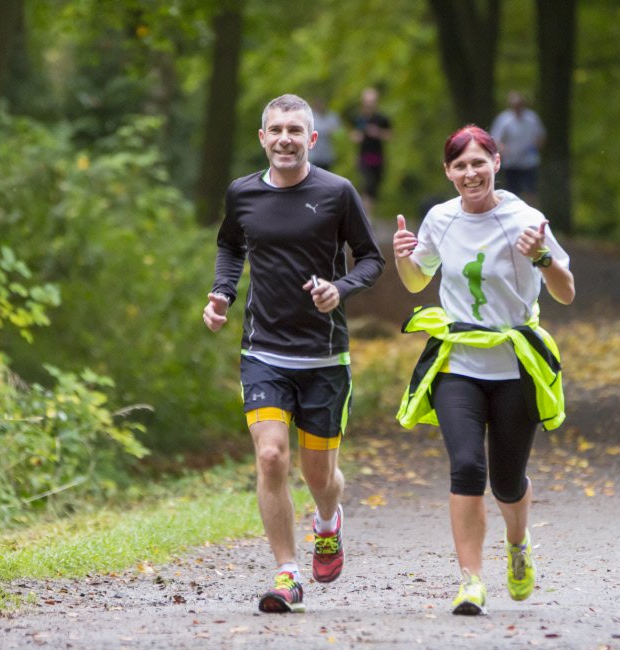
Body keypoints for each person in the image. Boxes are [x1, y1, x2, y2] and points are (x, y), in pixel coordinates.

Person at [203, 93, 385, 613]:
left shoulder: (336, 192)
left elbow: (371, 259)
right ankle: (286, 573)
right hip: (264, 349)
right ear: (263, 138)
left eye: (294, 130)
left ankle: (328, 521)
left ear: (312, 138)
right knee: (270, 456)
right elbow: (230, 246)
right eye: (275, 130)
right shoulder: (242, 194)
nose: (285, 138)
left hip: (325, 356)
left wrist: (341, 289)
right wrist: (222, 293)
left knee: (319, 476)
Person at [393, 125, 575, 615]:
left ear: (496, 162)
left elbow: (566, 291)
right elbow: (416, 281)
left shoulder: (525, 218)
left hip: (515, 365)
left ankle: (518, 543)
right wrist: (404, 258)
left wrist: (540, 257)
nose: (469, 173)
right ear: (448, 172)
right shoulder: (440, 218)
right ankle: (470, 581)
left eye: (478, 162)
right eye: (459, 165)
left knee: (507, 481)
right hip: (459, 364)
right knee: (467, 465)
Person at [489, 91, 546, 206]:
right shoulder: (504, 119)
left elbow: (541, 136)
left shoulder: (532, 118)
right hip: (511, 163)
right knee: (512, 192)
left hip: (529, 162)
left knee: (531, 191)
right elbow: (495, 139)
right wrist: (505, 150)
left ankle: (532, 215)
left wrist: (535, 147)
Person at [350, 87, 392, 212]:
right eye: (368, 101)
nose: (370, 104)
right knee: (367, 183)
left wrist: (377, 132)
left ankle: (368, 212)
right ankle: (365, 213)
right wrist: (360, 135)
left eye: (372, 101)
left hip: (378, 156)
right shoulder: (358, 118)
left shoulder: (382, 119)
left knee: (374, 187)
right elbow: (353, 136)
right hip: (363, 156)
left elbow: (389, 135)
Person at [310, 97, 341, 172]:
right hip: (314, 156)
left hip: (328, 155)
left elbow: (338, 133)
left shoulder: (332, 117)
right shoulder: (310, 118)